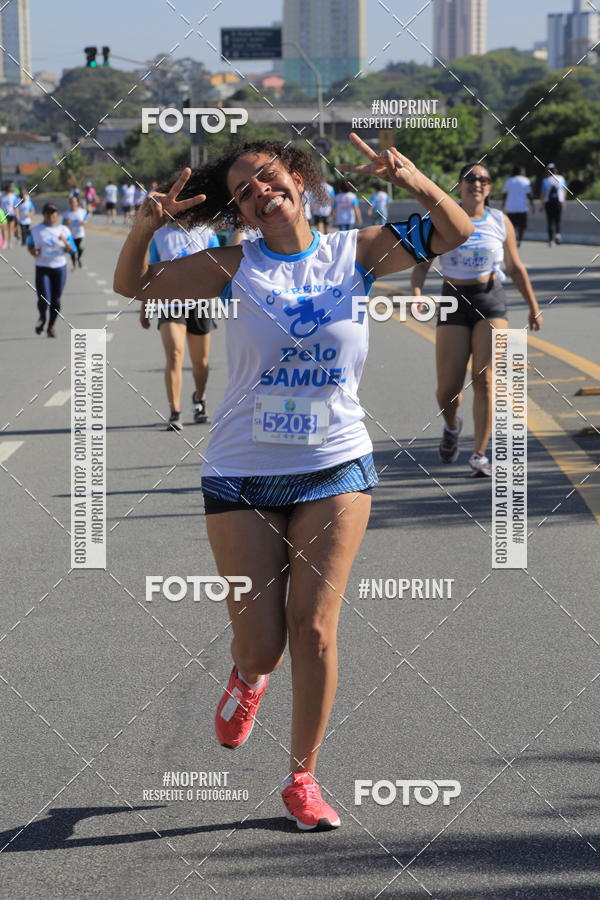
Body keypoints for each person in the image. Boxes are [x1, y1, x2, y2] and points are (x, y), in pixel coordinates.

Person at [113, 135, 472, 830]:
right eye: (245, 192)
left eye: (269, 179)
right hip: (242, 470)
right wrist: (144, 229)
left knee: (313, 631)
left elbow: (455, 232)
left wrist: (414, 177)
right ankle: (247, 676)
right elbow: (136, 288)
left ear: (299, 181)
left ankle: (302, 778)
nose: (260, 193)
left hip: (336, 464)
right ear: (241, 213)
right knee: (263, 644)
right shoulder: (229, 264)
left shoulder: (355, 251)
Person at [411, 162, 542, 478]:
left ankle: (480, 454)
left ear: (490, 187)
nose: (477, 183)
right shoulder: (441, 219)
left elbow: (514, 267)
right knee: (448, 390)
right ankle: (452, 426)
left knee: (485, 380)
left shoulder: (500, 221)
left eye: (483, 179)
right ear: (459, 185)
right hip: (453, 300)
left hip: (490, 300)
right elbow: (423, 263)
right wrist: (415, 292)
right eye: (470, 178)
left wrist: (533, 305)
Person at [139, 219, 220, 431]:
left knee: (200, 363)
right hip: (170, 302)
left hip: (200, 303)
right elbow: (151, 273)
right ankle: (175, 412)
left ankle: (199, 397)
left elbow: (221, 268)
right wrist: (145, 306)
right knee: (175, 354)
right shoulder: (160, 235)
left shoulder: (205, 232)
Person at [28, 202, 76, 337]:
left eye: (53, 213)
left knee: (56, 300)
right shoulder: (36, 230)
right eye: (48, 213)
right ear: (44, 215)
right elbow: (30, 246)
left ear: (57, 215)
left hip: (59, 268)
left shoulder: (64, 230)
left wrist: (65, 241)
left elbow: (72, 249)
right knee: (44, 299)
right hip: (42, 268)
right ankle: (42, 317)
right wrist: (34, 251)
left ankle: (51, 326)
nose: (51, 216)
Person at [501, 166, 533, 246]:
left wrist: (503, 204)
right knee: (522, 226)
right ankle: (520, 240)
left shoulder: (509, 181)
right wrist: (532, 205)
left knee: (512, 226)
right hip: (522, 207)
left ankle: (513, 239)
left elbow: (505, 194)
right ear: (521, 172)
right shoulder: (526, 180)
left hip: (510, 207)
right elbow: (529, 194)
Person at [540, 163, 567, 246]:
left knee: (549, 221)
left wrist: (542, 204)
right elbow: (564, 191)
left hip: (548, 202)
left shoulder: (545, 180)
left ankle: (550, 240)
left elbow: (543, 193)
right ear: (556, 170)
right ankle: (558, 235)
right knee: (557, 220)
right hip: (558, 202)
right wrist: (564, 202)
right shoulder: (562, 179)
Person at [63, 195, 88, 269]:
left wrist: (82, 222)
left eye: (74, 202)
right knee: (72, 250)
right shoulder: (66, 213)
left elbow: (86, 222)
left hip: (80, 234)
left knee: (81, 248)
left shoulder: (82, 212)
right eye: (70, 202)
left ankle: (79, 258)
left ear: (77, 203)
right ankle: (74, 262)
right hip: (70, 235)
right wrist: (66, 222)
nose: (72, 203)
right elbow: (63, 225)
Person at [0, 181, 19, 248]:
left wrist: (17, 215)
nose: (12, 188)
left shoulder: (13, 196)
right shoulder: (1, 195)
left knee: (10, 229)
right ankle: (4, 241)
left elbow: (15, 206)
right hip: (3, 215)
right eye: (11, 186)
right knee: (4, 229)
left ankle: (10, 242)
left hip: (11, 214)